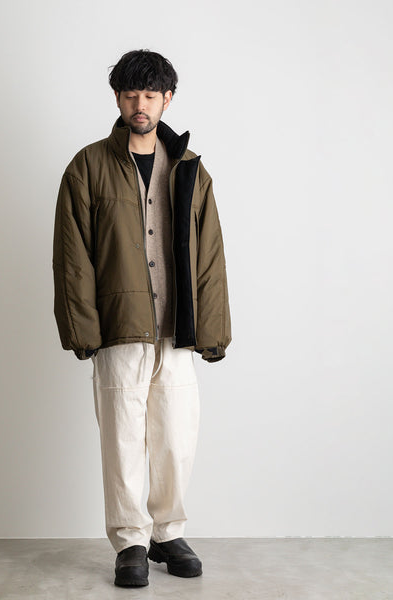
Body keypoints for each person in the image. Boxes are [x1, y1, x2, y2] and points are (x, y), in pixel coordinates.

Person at [52, 49, 232, 588]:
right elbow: (72, 256)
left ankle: (168, 533)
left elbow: (210, 255)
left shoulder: (191, 169)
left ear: (167, 99)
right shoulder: (87, 166)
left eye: (150, 94)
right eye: (131, 94)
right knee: (123, 439)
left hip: (177, 328)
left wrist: (213, 330)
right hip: (118, 327)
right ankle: (131, 540)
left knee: (176, 438)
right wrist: (83, 329)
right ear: (117, 98)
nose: (140, 104)